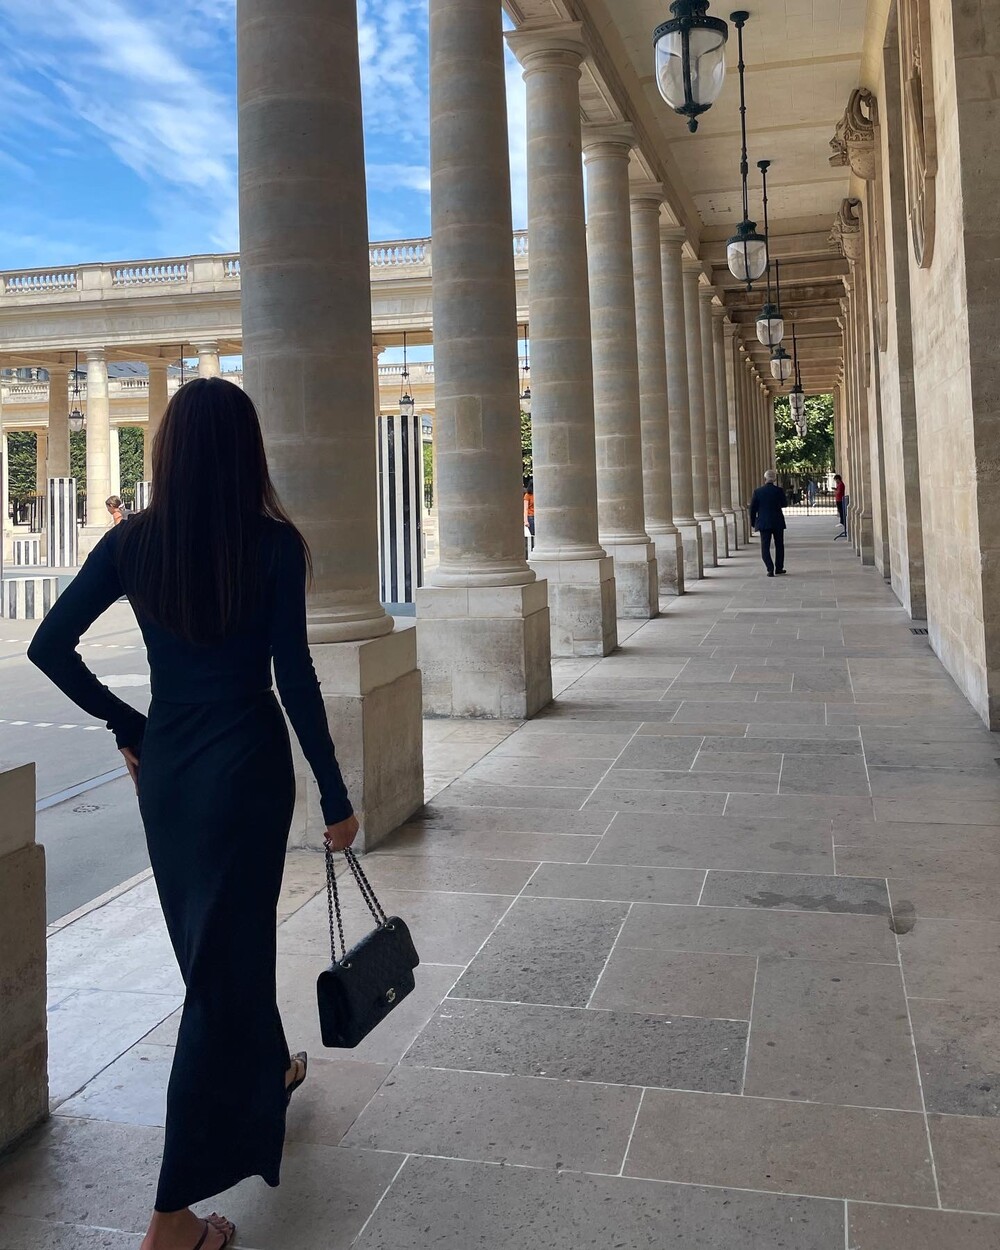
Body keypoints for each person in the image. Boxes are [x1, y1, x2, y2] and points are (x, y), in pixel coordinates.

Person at [28, 378, 359, 1250]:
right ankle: (170, 1222)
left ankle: (269, 1069)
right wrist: (334, 795)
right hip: (248, 766)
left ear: (169, 451)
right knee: (220, 964)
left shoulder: (132, 542)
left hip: (171, 770)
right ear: (248, 451)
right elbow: (296, 679)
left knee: (216, 949)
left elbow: (48, 646)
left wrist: (131, 725)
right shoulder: (274, 545)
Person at [749, 468, 787, 577]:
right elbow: (784, 504)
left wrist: (753, 522)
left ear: (764, 478)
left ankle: (770, 568)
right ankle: (779, 567)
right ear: (774, 479)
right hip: (777, 521)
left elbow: (752, 509)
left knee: (765, 547)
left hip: (764, 522)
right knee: (779, 545)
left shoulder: (758, 492)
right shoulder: (779, 491)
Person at [523, 475, 535, 551]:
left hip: (538, 516)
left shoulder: (538, 494)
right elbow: (525, 508)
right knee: (533, 535)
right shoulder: (527, 495)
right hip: (531, 517)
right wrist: (526, 520)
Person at [834, 472, 847, 538]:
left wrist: (835, 491)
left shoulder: (841, 484)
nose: (836, 481)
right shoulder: (839, 484)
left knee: (841, 511)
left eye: (836, 480)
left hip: (840, 499)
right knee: (840, 511)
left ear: (838, 479)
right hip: (838, 499)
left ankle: (842, 522)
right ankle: (841, 522)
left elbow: (839, 492)